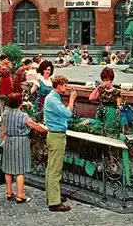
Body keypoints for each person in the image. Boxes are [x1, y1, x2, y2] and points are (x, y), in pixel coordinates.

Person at [1, 92, 48, 202]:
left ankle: (9, 192)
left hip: (8, 140)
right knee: (20, 170)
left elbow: (2, 130)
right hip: (20, 142)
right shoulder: (23, 116)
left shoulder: (5, 113)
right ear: (20, 103)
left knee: (8, 168)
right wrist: (46, 129)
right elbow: (35, 126)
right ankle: (20, 195)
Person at [44, 76, 77, 212]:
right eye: (64, 85)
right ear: (58, 86)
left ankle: (52, 196)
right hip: (56, 136)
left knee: (51, 167)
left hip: (54, 134)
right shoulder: (52, 99)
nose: (66, 87)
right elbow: (67, 113)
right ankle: (54, 202)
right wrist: (72, 99)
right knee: (55, 170)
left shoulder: (53, 97)